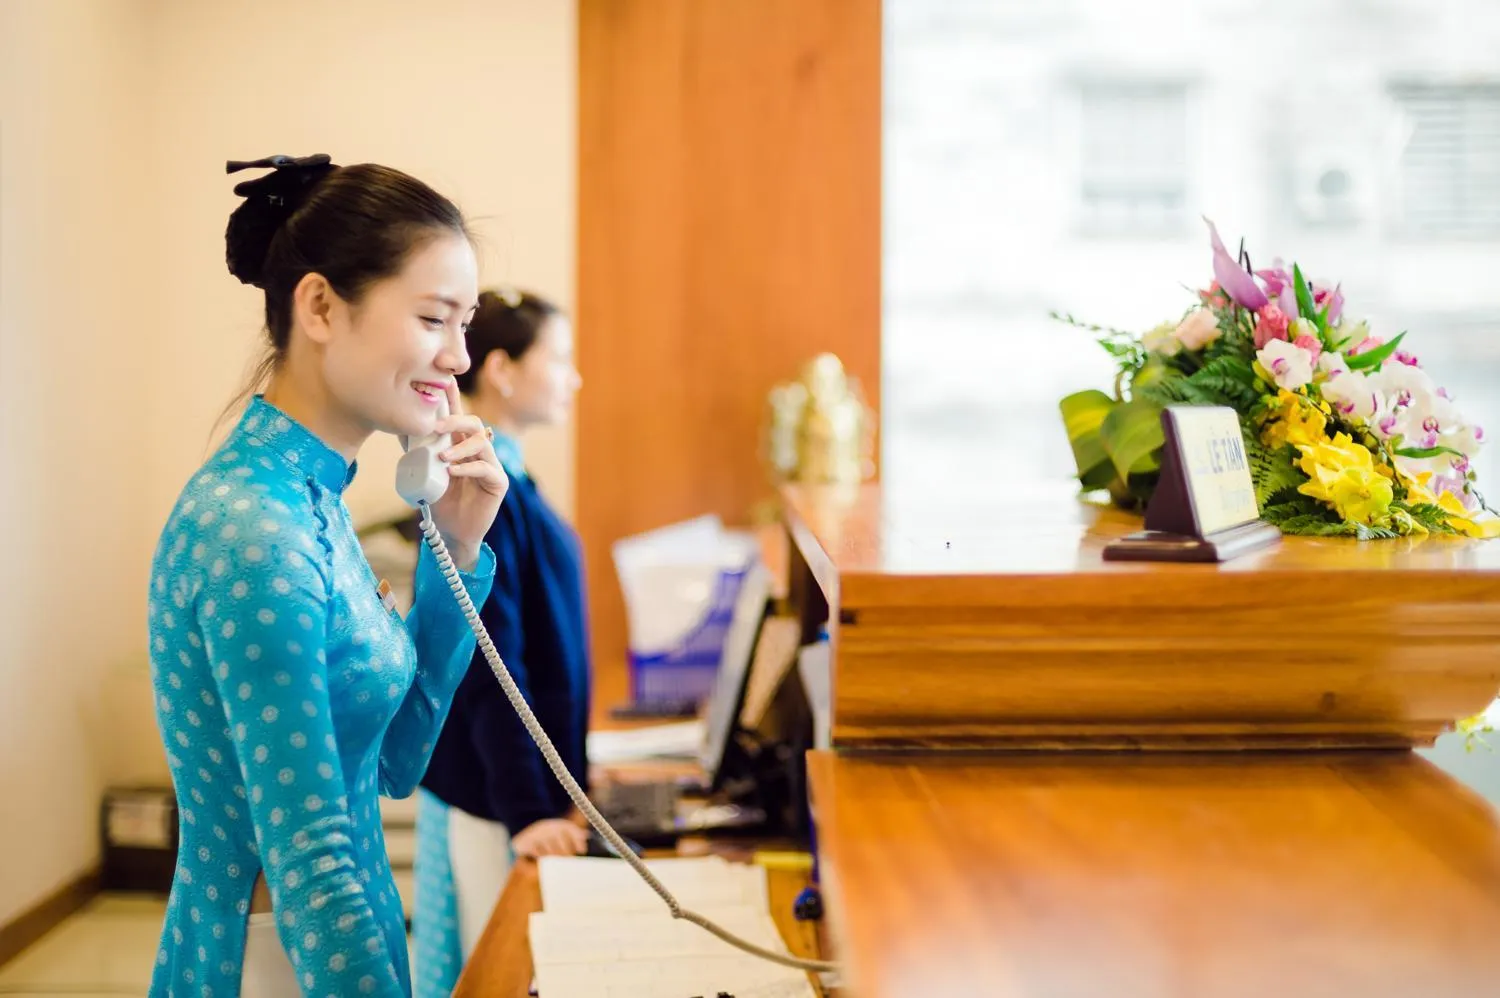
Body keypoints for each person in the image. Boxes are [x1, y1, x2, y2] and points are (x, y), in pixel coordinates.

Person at [146, 154, 508, 998]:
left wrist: (452, 552)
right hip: (282, 959)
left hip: (337, 938)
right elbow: (307, 859)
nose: (459, 359)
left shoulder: (314, 503)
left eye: (467, 324)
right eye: (434, 319)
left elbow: (394, 764)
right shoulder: (255, 531)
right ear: (319, 306)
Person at [411, 288, 588, 996]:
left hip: (519, 791)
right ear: (506, 371)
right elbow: (490, 666)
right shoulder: (482, 491)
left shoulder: (515, 481)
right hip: (495, 799)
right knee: (493, 973)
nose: (574, 378)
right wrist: (528, 811)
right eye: (562, 359)